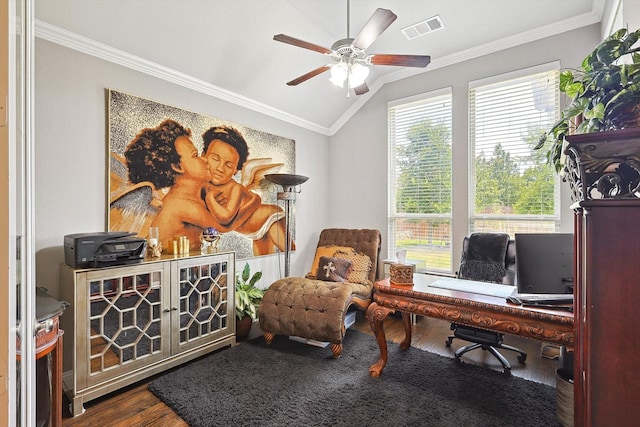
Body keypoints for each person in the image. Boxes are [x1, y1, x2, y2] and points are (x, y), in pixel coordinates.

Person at [124, 119, 229, 251]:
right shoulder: (181, 204)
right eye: (195, 156)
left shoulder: (189, 200)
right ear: (178, 166)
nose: (205, 160)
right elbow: (223, 228)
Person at [201, 126, 289, 255]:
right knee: (263, 261)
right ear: (203, 155)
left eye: (229, 165)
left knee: (289, 251)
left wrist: (209, 199)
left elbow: (225, 218)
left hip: (269, 216)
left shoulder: (235, 188)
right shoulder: (200, 182)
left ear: (236, 170)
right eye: (215, 158)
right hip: (253, 228)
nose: (220, 168)